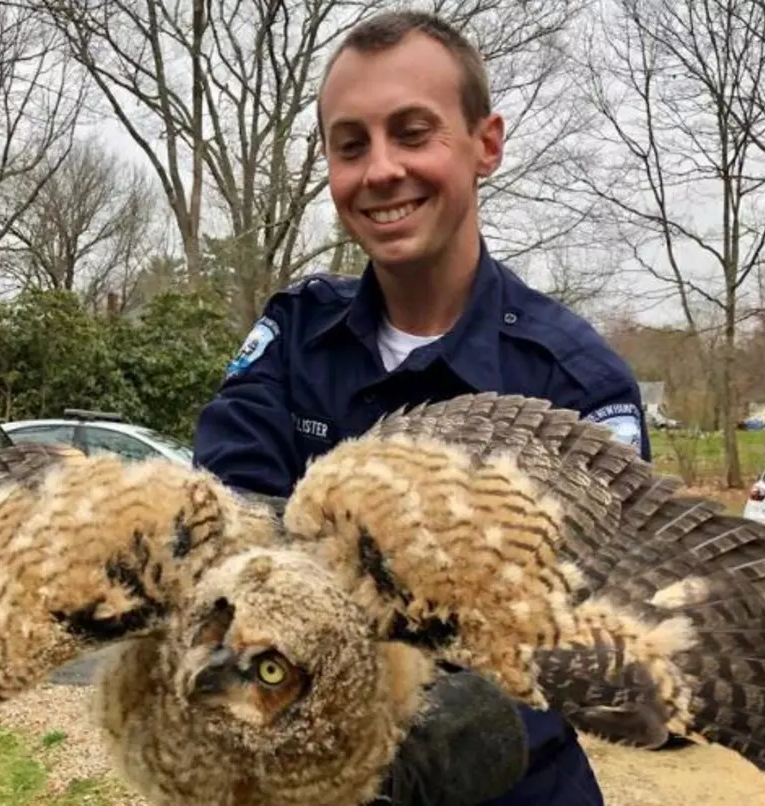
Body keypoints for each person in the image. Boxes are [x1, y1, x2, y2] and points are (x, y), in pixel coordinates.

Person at [193, 10, 649, 805]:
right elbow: (222, 531)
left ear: (486, 144)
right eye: (350, 144)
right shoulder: (295, 335)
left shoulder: (576, 384)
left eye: (413, 133)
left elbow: (602, 626)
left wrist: (487, 705)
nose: (380, 170)